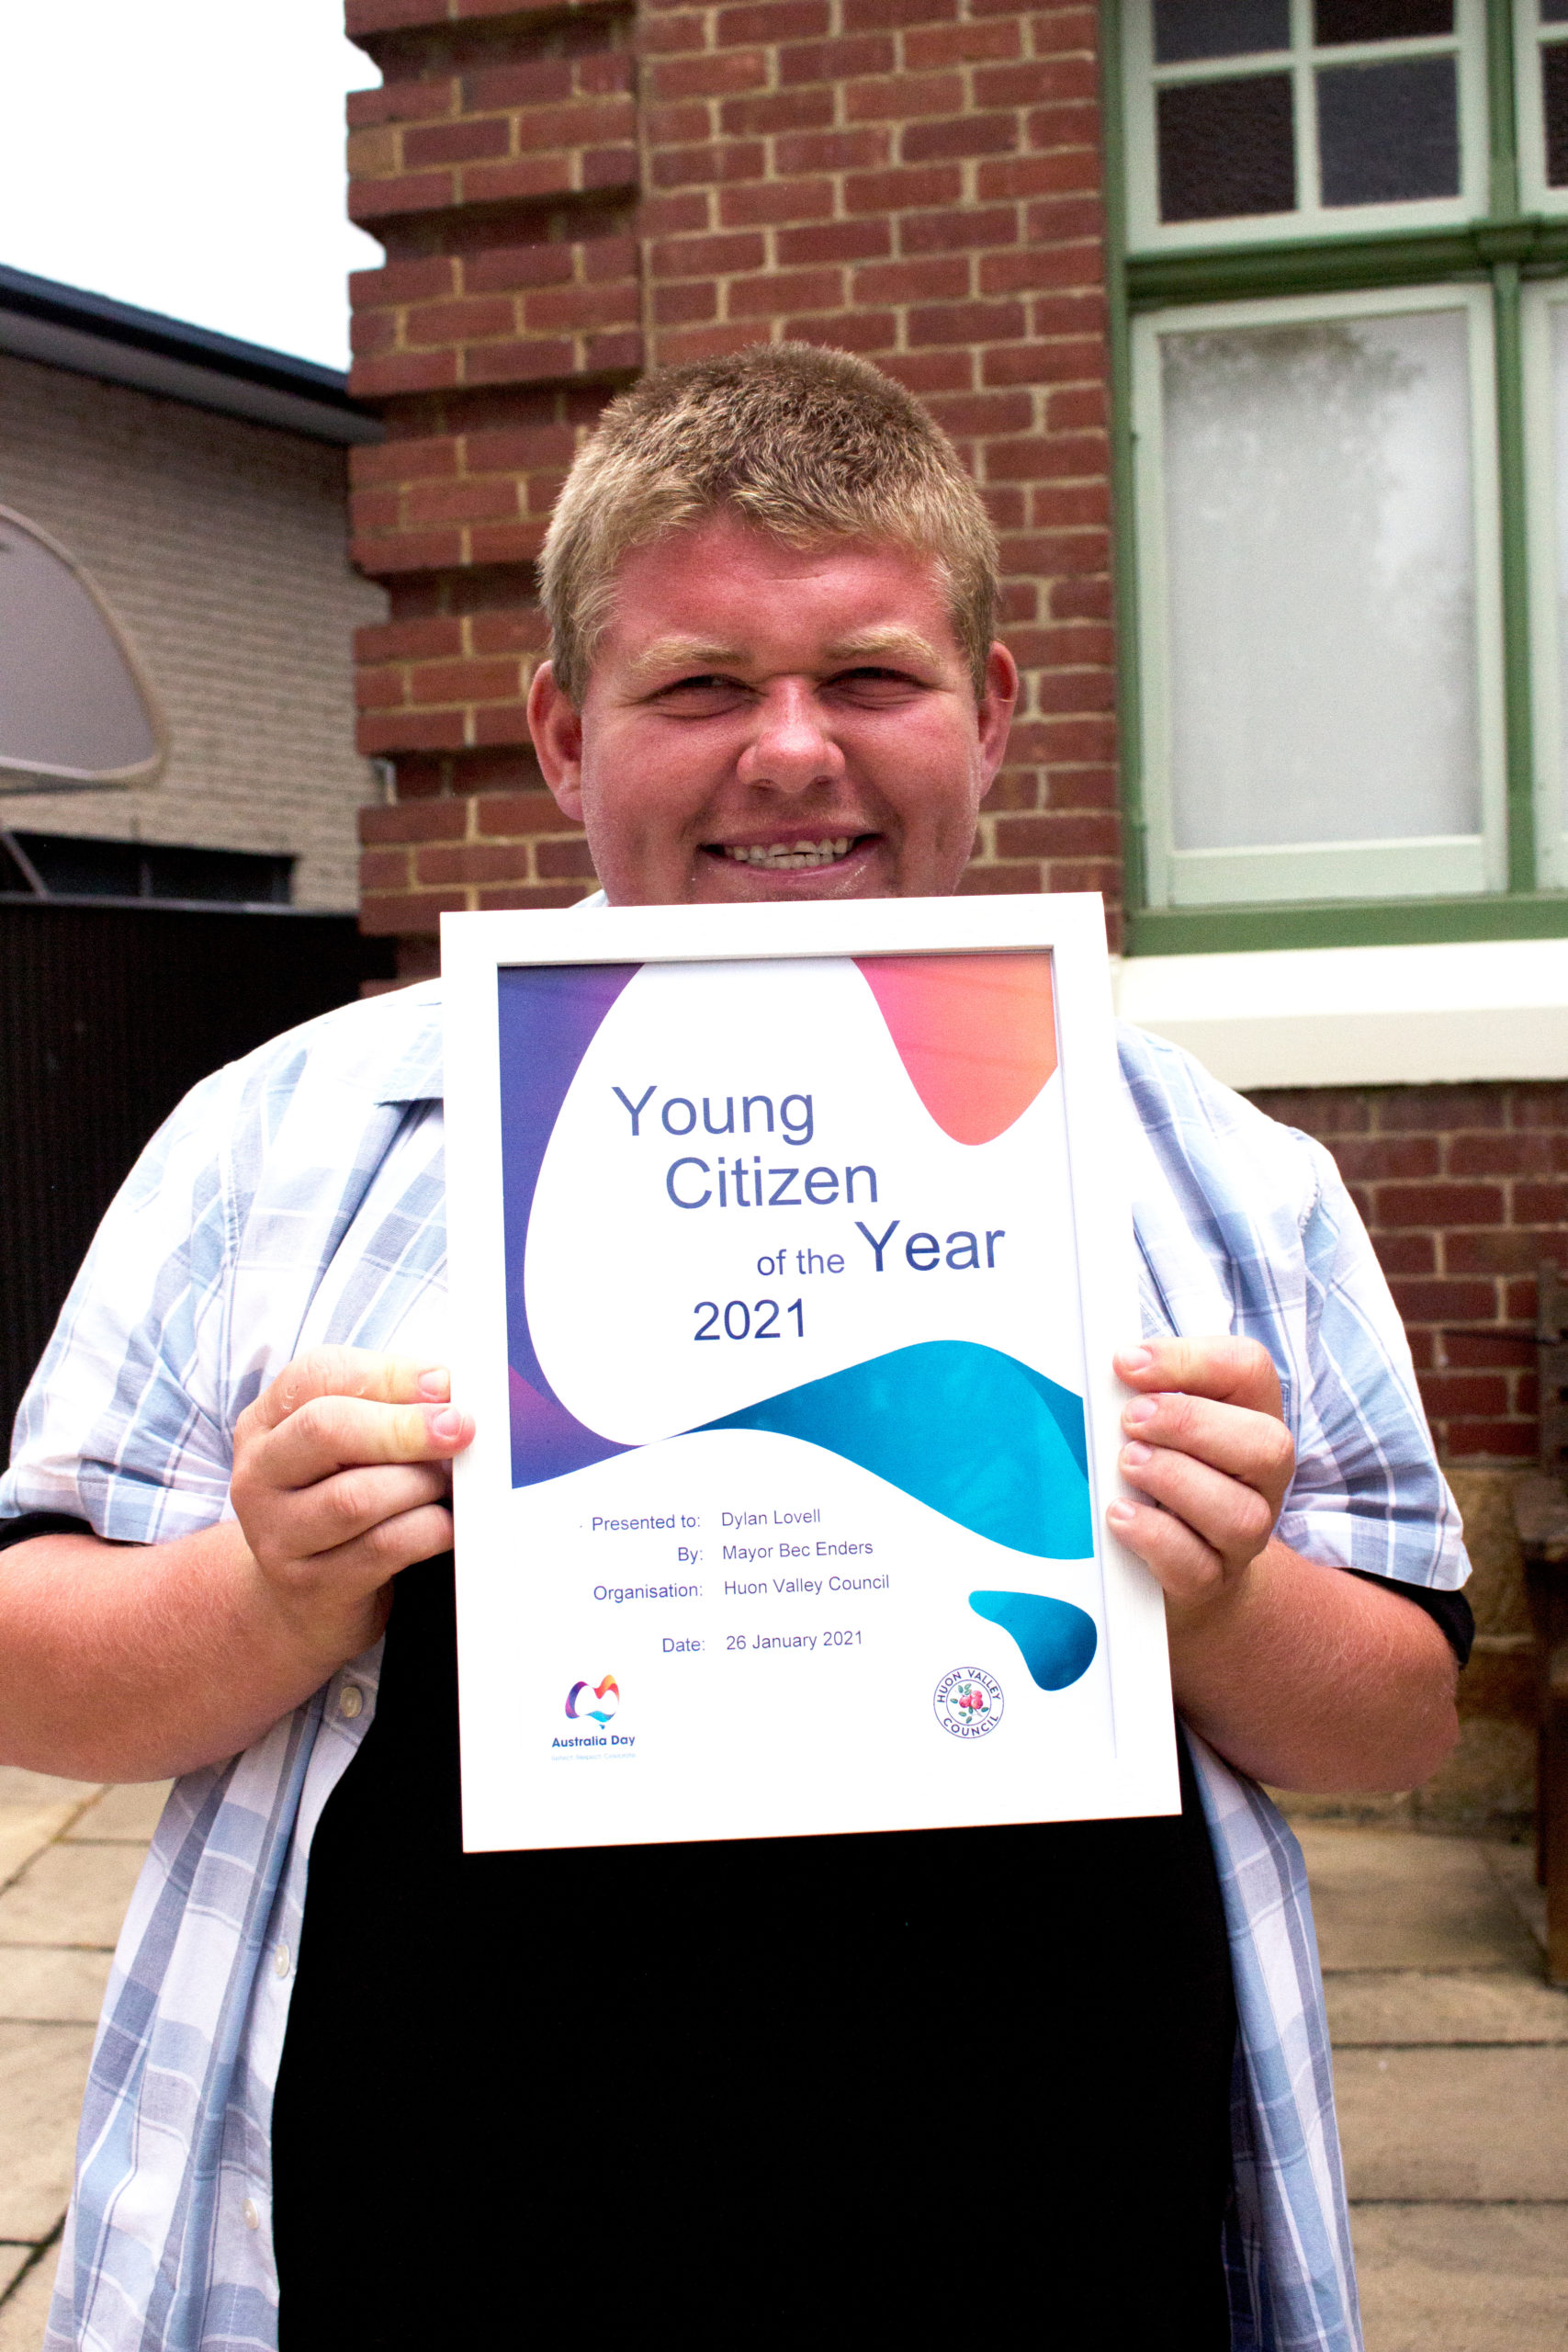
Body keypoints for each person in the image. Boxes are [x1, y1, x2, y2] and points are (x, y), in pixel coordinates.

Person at [0, 345, 1468, 2352]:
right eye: (697, 685)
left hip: (1054, 2237)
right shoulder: (281, 1140)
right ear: (559, 731)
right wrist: (266, 1585)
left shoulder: (1221, 1179)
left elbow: (1399, 1714)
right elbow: (32, 1659)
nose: (790, 751)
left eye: (867, 675)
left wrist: (1216, 1600)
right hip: (433, 2239)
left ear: (991, 711)